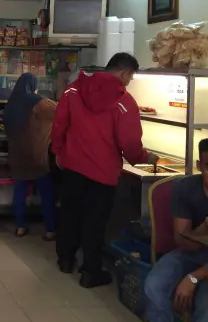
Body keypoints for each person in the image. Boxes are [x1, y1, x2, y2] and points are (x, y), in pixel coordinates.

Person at [51, 52, 158, 288]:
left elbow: (59, 124)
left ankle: (66, 260)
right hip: (102, 171)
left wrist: (58, 150)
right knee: (95, 221)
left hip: (71, 165)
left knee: (70, 214)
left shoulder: (73, 91)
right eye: (130, 77)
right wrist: (142, 157)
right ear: (124, 73)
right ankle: (90, 272)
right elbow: (129, 142)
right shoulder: (124, 101)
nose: (129, 82)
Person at [144, 139, 208, 322]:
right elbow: (183, 242)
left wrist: (194, 278)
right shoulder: (186, 187)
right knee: (154, 286)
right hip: (190, 254)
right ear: (199, 165)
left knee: (205, 309)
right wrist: (204, 228)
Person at [4, 73, 58, 240]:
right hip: (36, 155)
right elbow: (61, 112)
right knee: (46, 193)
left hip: (16, 154)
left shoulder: (11, 103)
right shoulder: (37, 102)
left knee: (19, 191)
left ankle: (20, 227)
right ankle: (50, 229)